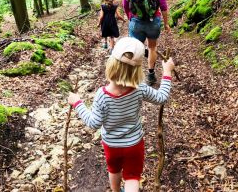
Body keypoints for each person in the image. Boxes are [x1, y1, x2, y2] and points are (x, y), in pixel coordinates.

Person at [68, 37, 175, 192]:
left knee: (114, 170)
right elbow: (162, 97)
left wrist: (78, 103)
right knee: (132, 177)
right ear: (137, 70)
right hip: (134, 144)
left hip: (111, 145)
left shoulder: (102, 95)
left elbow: (94, 123)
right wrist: (166, 72)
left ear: (111, 64)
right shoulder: (140, 88)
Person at [123, 0, 170, 85]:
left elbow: (125, 4)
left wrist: (130, 17)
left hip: (136, 21)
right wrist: (166, 24)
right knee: (152, 47)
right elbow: (163, 6)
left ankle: (133, 76)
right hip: (153, 21)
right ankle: (150, 74)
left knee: (134, 49)